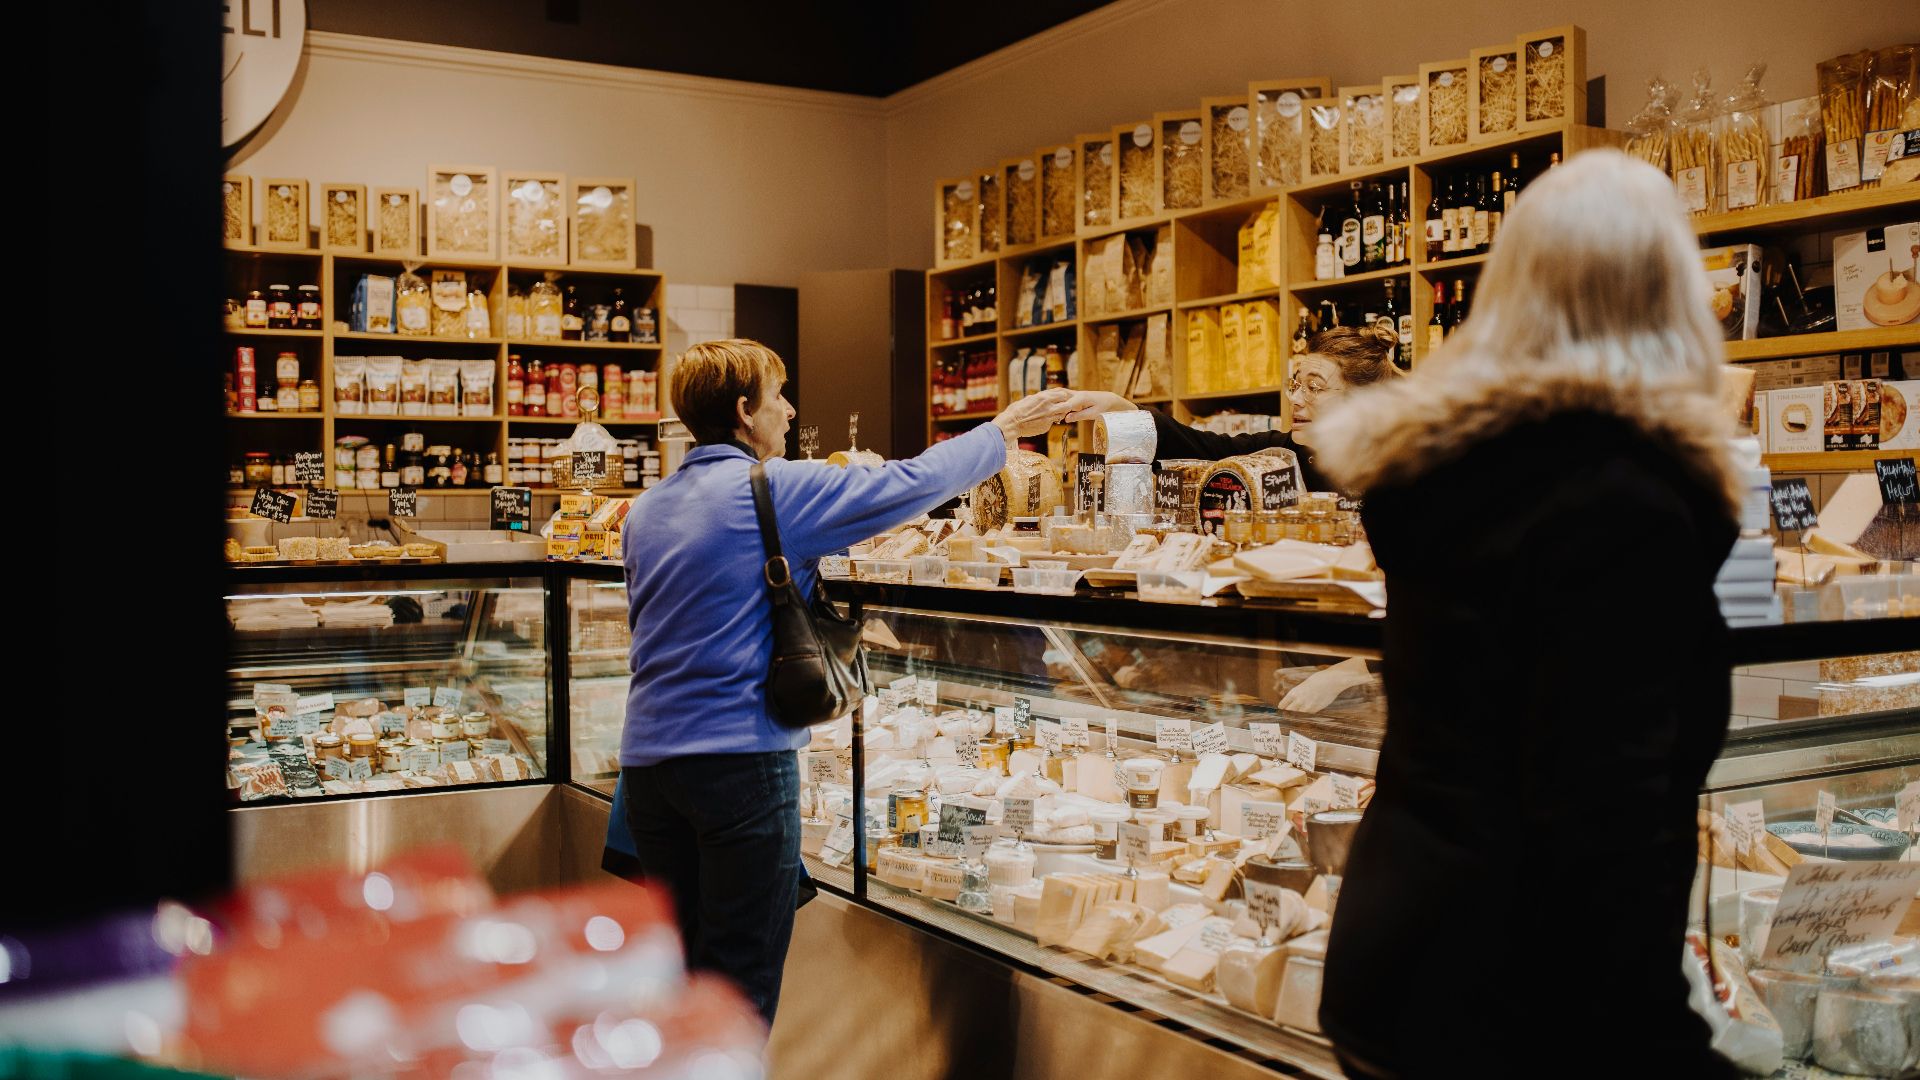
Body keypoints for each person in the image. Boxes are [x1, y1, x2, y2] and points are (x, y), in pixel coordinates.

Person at [1306, 150, 1743, 1077]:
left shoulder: (1436, 476)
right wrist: (1670, 1045)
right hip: (1523, 1006)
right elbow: (1603, 822)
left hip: (1392, 969)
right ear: (1669, 297)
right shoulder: (1623, 502)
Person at [618, 338, 1068, 1024]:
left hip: (648, 774)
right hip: (739, 764)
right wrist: (1002, 433)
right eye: (778, 396)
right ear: (744, 411)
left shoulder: (647, 509)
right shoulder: (774, 489)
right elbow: (907, 484)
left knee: (684, 980)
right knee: (738, 990)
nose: (791, 411)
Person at [1056, 324, 1401, 491]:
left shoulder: (1395, 469)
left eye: (1314, 388)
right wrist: (1118, 406)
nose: (1296, 399)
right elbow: (1203, 449)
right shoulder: (1279, 454)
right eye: (1296, 384)